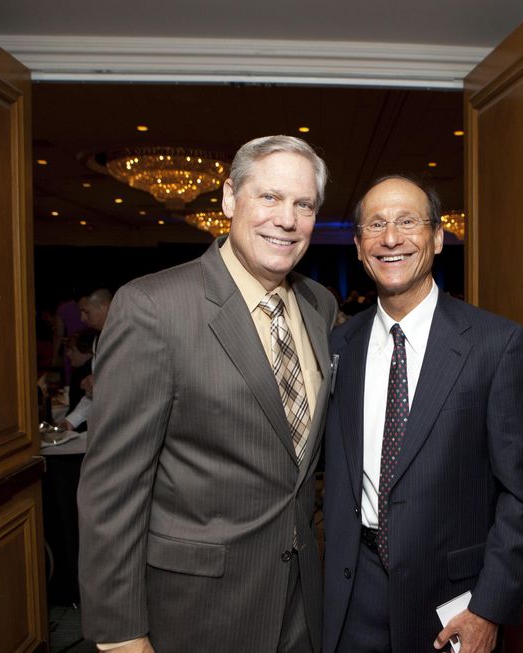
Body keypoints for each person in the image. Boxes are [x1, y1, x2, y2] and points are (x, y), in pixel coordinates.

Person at [77, 135, 337, 653]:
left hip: (303, 601)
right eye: (269, 197)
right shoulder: (154, 307)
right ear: (228, 198)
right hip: (196, 610)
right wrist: (120, 633)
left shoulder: (318, 306)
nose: (286, 219)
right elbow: (113, 487)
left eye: (303, 204)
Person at [322, 176, 523, 653]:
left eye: (408, 222)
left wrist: (488, 608)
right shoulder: (341, 344)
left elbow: (522, 497)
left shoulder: (496, 345)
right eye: (375, 225)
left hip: (454, 602)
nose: (391, 238)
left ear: (438, 238)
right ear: (360, 247)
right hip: (352, 592)